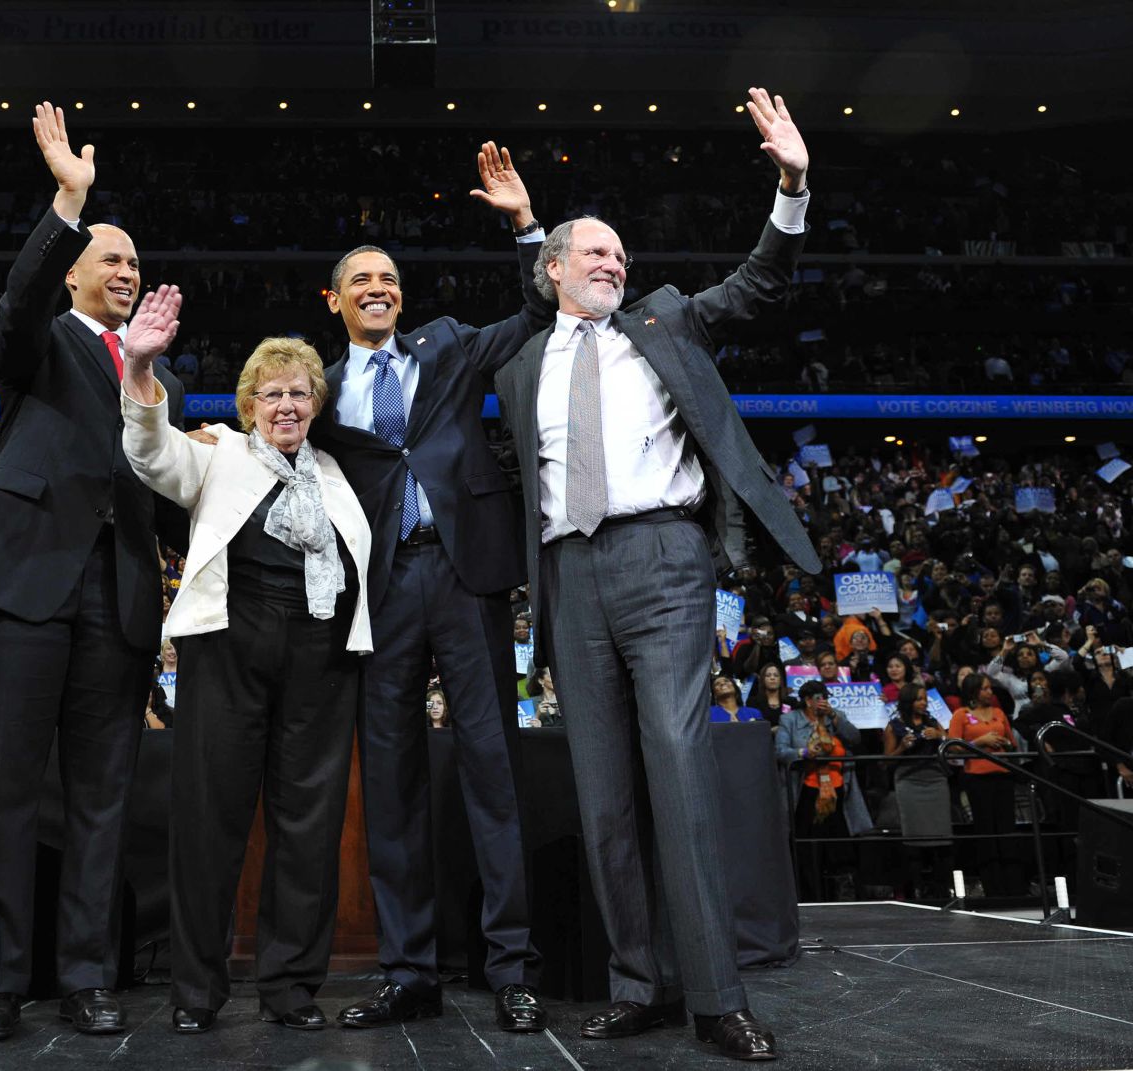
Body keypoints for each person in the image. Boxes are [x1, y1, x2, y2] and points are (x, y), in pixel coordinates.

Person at [493, 88, 820, 1059]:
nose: (613, 264)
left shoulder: (667, 323)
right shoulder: (520, 364)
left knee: (678, 774)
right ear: (554, 270)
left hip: (664, 561)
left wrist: (791, 185)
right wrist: (521, 223)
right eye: (593, 253)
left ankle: (717, 998)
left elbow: (760, 284)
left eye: (620, 255)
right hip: (565, 576)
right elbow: (527, 289)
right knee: (602, 796)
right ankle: (637, 983)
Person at [0, 104, 188, 1042]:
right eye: (111, 260)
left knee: (102, 798)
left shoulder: (156, 373)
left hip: (118, 600)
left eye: (137, 267)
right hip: (27, 586)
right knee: (3, 788)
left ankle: (85, 975)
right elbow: (13, 316)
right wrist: (68, 203)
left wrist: (158, 390)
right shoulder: (40, 343)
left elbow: (174, 487)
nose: (128, 274)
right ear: (75, 269)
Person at [308, 141, 552, 1034]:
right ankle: (409, 968)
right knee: (396, 780)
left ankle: (511, 963)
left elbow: (534, 311)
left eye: (389, 276)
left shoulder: (448, 346)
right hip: (378, 593)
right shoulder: (320, 391)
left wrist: (527, 224)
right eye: (362, 278)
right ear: (334, 301)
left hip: (464, 574)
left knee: (491, 767)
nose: (379, 286)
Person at [122, 326, 373, 1034]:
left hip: (322, 656)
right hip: (229, 648)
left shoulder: (335, 473)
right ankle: (195, 991)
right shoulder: (217, 452)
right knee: (209, 821)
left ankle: (291, 986)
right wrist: (140, 371)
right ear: (248, 404)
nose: (286, 404)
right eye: (272, 393)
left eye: (299, 392)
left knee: (308, 827)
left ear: (315, 403)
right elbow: (149, 451)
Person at [778, 680, 863, 901]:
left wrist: (834, 716)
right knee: (808, 847)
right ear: (807, 700)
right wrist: (804, 752)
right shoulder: (790, 720)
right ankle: (811, 895)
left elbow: (855, 738)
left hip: (838, 790)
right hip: (806, 790)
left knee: (839, 846)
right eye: (817, 698)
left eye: (825, 697)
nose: (822, 702)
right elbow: (780, 750)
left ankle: (843, 895)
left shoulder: (837, 716)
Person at [947, 672, 1022, 897]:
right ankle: (993, 887)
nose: (990, 692)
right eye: (985, 689)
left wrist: (1004, 743)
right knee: (986, 830)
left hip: (1003, 775)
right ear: (973, 692)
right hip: (977, 778)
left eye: (990, 688)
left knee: (1007, 830)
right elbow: (952, 746)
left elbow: (1013, 744)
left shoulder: (999, 713)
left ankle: (1015, 886)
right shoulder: (961, 714)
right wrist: (979, 742)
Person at [883, 683, 954, 899]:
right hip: (909, 781)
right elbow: (886, 761)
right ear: (908, 701)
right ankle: (917, 888)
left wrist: (940, 737)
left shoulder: (932, 722)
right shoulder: (893, 726)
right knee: (914, 837)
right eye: (919, 699)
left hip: (935, 779)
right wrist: (902, 747)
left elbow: (952, 746)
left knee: (941, 836)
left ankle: (942, 888)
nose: (923, 703)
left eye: (924, 699)